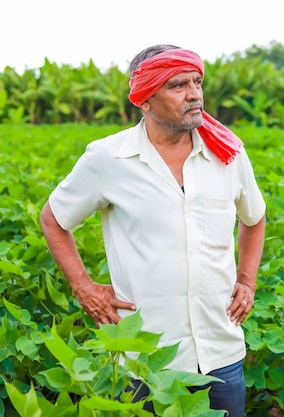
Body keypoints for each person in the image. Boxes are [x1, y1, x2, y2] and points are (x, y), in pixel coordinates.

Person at [39, 44, 266, 416]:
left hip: (219, 351)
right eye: (177, 85)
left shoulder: (228, 155)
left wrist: (247, 280)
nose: (194, 94)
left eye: (197, 82)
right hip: (144, 359)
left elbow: (254, 218)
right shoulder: (107, 159)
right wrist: (84, 287)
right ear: (145, 99)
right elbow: (54, 219)